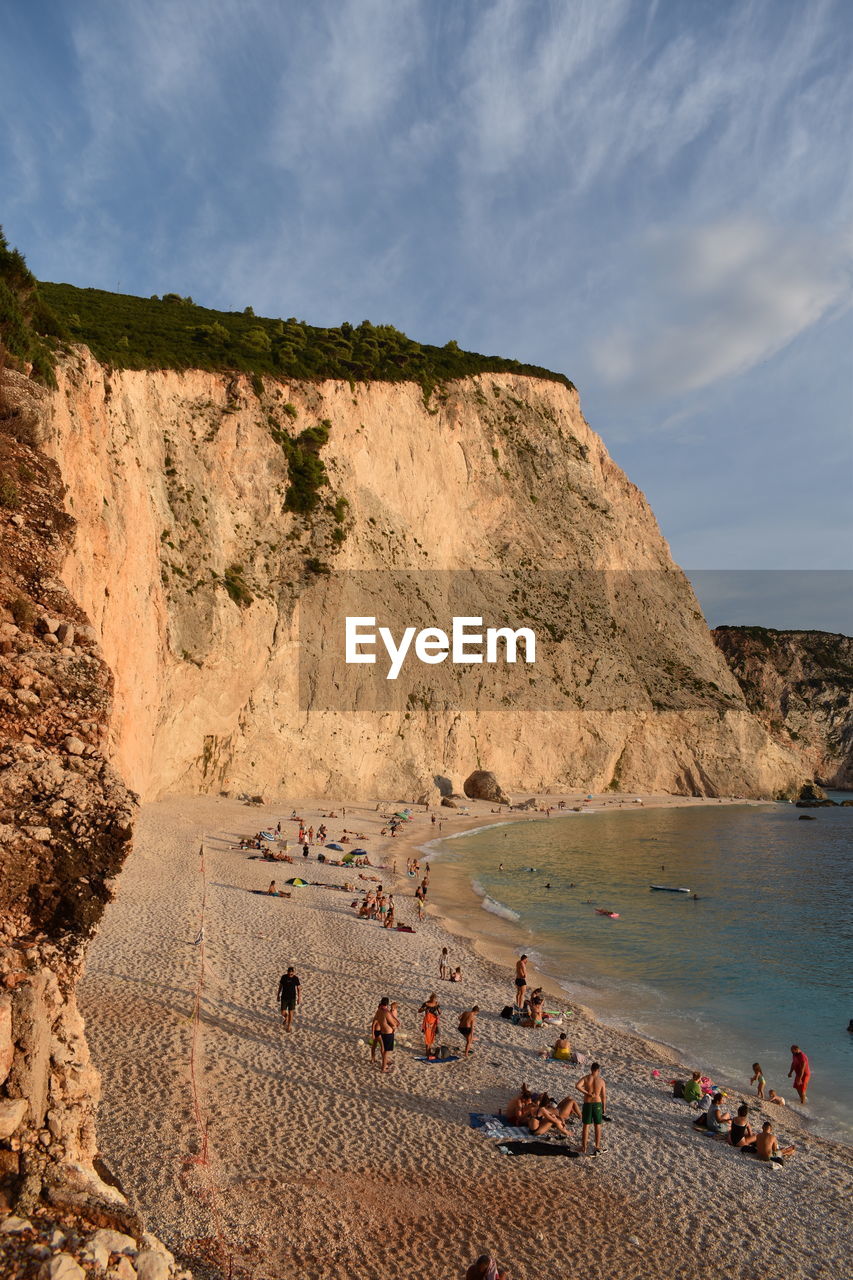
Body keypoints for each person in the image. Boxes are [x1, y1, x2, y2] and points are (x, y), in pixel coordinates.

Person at [576, 1062, 607, 1154]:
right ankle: (597, 1146)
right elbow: (604, 1096)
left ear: (591, 1069)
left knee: (586, 1126)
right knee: (598, 1125)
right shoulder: (601, 1081)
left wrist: (587, 1093)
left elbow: (577, 1086)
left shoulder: (586, 1078)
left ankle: (584, 1147)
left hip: (588, 1103)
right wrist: (604, 1107)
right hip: (597, 1103)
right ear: (598, 1070)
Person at [374, 997, 399, 1073]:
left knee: (384, 1050)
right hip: (388, 1033)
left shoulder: (379, 1011)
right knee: (386, 1051)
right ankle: (383, 1068)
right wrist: (395, 1026)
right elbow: (392, 1023)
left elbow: (376, 1020)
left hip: (383, 1032)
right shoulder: (386, 1012)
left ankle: (384, 1065)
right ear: (387, 1004)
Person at [276, 966, 301, 1032]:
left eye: (292, 973)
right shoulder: (283, 977)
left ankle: (289, 1026)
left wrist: (299, 998)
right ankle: (286, 1017)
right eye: (289, 973)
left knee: (291, 1013)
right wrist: (278, 995)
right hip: (284, 997)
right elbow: (280, 986)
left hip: (292, 998)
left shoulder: (296, 978)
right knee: (282, 1012)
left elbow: (298, 988)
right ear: (287, 972)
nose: (290, 975)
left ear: (293, 973)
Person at [419, 994, 441, 1059]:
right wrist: (424, 1008)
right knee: (427, 1035)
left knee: (432, 1035)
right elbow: (419, 1011)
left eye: (435, 999)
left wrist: (438, 1008)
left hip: (433, 1022)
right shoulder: (426, 1004)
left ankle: (429, 1051)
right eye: (432, 999)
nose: (434, 1000)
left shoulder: (436, 1004)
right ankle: (427, 1051)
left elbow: (440, 1012)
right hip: (427, 1021)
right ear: (430, 998)